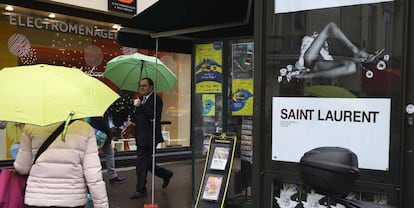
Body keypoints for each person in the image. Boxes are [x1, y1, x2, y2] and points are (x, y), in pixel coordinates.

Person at [13, 120, 109, 208]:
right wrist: (101, 205)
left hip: (37, 197)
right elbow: (93, 175)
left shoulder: (31, 127)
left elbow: (22, 168)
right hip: (72, 198)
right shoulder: (85, 128)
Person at [129, 77, 173, 200]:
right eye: (140, 86)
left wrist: (140, 106)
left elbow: (153, 115)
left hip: (150, 137)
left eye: (144, 86)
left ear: (151, 87)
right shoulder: (141, 99)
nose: (142, 88)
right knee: (146, 163)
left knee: (140, 163)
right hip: (140, 136)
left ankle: (141, 189)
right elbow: (137, 117)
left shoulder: (156, 100)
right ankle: (165, 174)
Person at [87, 115, 126, 183]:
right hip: (102, 135)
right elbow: (103, 123)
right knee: (109, 153)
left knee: (95, 155)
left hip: (95, 134)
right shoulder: (100, 112)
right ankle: (112, 175)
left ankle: (95, 176)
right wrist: (108, 133)